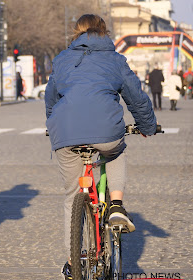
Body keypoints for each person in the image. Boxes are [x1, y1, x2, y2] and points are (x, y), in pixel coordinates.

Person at [44, 14, 157, 279]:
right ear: (104, 32)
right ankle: (116, 205)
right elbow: (136, 97)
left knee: (72, 195)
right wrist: (147, 126)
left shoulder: (62, 59)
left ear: (77, 33)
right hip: (105, 130)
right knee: (115, 151)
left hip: (65, 132)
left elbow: (51, 97)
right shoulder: (115, 59)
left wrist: (53, 125)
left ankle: (73, 262)